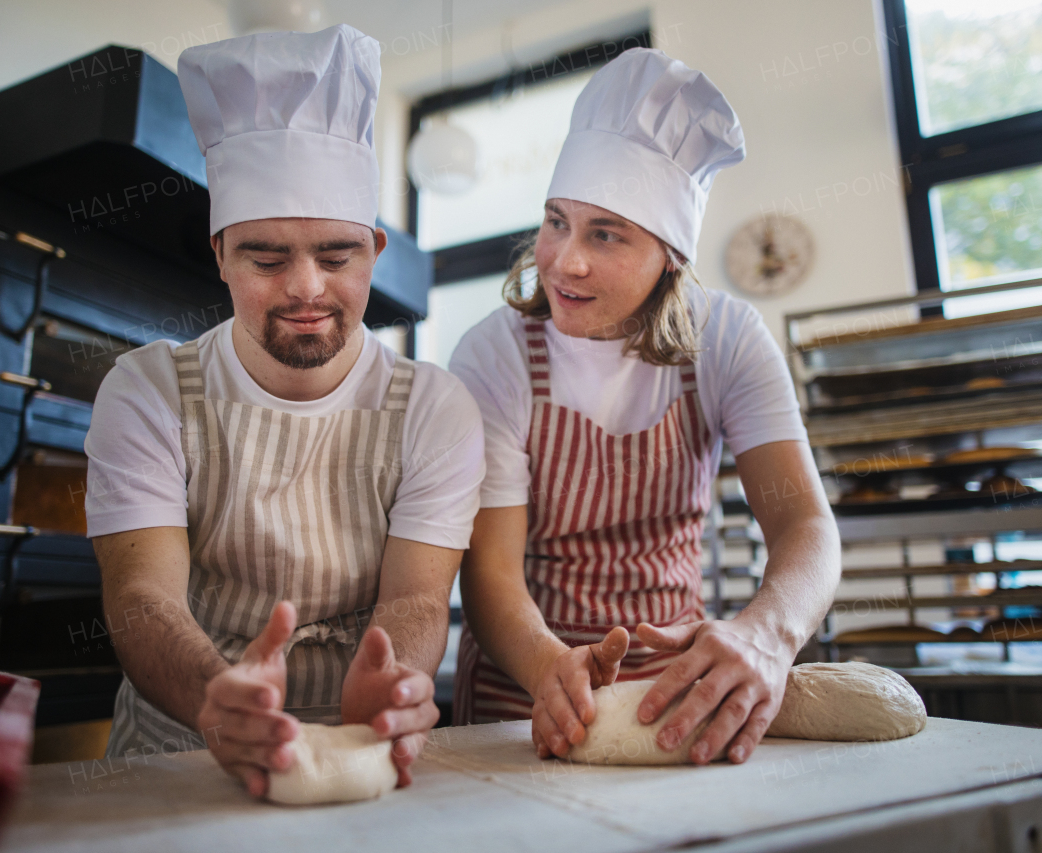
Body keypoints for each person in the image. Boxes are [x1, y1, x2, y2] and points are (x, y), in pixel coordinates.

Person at [84, 26, 484, 797]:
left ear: (373, 249)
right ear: (220, 251)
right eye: (267, 258)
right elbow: (141, 597)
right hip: (180, 750)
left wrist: (393, 679)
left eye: (336, 256)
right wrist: (217, 699)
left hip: (359, 744)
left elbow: (415, 597)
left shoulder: (433, 406)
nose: (305, 287)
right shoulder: (149, 389)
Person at [449, 47, 840, 766]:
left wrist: (767, 633)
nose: (564, 259)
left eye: (605, 233)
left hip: (679, 692)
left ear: (670, 256)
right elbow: (491, 575)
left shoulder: (726, 340)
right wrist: (546, 668)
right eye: (556, 221)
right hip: (525, 693)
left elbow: (806, 523)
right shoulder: (494, 355)